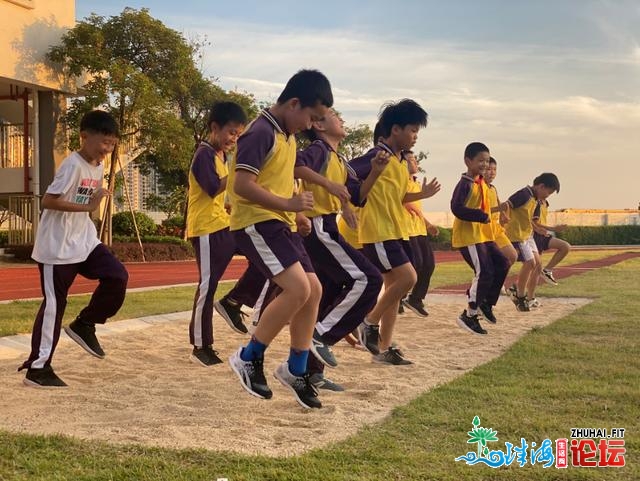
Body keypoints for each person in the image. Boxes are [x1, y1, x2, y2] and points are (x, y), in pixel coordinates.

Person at [227, 69, 333, 409]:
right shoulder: (260, 132)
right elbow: (242, 185)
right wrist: (288, 205)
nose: (310, 125)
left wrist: (295, 213)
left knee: (313, 290)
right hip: (256, 222)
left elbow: (279, 184)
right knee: (298, 289)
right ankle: (249, 356)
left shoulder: (286, 135)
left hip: (280, 223)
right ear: (293, 103)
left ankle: (295, 368)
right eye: (311, 117)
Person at [19, 110, 128, 387]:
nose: (107, 149)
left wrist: (93, 202)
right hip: (57, 247)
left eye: (112, 144)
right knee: (55, 305)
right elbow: (49, 201)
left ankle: (85, 324)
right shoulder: (72, 165)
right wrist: (90, 206)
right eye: (103, 142)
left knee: (117, 276)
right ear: (84, 137)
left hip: (85, 241)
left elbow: (86, 199)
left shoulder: (99, 166)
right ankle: (38, 367)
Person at [294, 108, 385, 385]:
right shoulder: (319, 149)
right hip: (317, 228)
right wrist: (328, 185)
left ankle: (311, 373)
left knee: (329, 293)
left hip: (328, 226)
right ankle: (321, 335)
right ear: (319, 125)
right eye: (335, 115)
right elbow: (296, 166)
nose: (342, 119)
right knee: (369, 279)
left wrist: (376, 172)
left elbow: (357, 195)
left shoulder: (339, 159)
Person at [350, 99, 441, 364]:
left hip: (396, 231)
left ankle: (383, 348)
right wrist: (348, 204)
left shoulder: (400, 162)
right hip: (378, 231)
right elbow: (345, 174)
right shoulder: (377, 156)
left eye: (417, 132)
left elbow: (398, 196)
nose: (415, 137)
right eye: (412, 130)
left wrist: (421, 193)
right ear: (395, 129)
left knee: (395, 289)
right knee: (408, 278)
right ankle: (368, 322)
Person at [185, 101, 248, 367]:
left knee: (262, 252)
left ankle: (234, 301)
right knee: (207, 286)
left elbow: (222, 195)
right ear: (214, 128)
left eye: (238, 135)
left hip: (223, 224)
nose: (234, 139)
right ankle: (201, 345)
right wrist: (236, 173)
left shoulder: (222, 157)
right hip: (207, 229)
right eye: (231, 133)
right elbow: (212, 188)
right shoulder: (204, 154)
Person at [451, 142, 510, 335]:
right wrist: (481, 215)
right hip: (469, 237)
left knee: (502, 263)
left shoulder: (481, 182)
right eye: (481, 161)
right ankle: (469, 315)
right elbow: (457, 208)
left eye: (487, 161)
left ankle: (486, 303)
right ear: (468, 161)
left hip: (484, 235)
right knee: (484, 271)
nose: (485, 165)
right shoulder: (466, 184)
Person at [502, 173, 561, 311]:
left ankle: (517, 290)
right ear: (541, 186)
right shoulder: (524, 194)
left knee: (536, 264)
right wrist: (502, 215)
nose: (547, 196)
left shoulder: (534, 198)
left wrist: (537, 229)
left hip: (527, 235)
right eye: (548, 192)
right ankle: (520, 295)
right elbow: (507, 204)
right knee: (530, 263)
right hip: (517, 235)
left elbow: (528, 219)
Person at [400, 150, 438, 317]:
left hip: (419, 229)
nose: (414, 162)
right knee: (415, 265)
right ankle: (398, 297)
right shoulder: (401, 181)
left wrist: (428, 224)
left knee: (429, 264)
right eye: (410, 159)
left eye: (414, 159)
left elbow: (417, 209)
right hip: (406, 229)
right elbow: (401, 199)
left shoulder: (415, 182)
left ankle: (415, 299)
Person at [484, 157, 517, 266]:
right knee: (488, 264)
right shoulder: (479, 187)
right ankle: (493, 282)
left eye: (494, 169)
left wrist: (503, 214)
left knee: (512, 256)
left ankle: (498, 282)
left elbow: (499, 203)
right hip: (483, 229)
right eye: (489, 169)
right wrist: (498, 209)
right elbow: (478, 211)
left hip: (496, 229)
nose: (492, 173)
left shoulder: (493, 188)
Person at [532, 199, 571, 286]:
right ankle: (518, 289)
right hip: (534, 237)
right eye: (549, 191)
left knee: (565, 246)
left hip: (542, 235)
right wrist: (552, 229)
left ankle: (547, 270)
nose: (548, 194)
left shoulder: (545, 203)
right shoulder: (536, 203)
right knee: (535, 269)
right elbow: (534, 222)